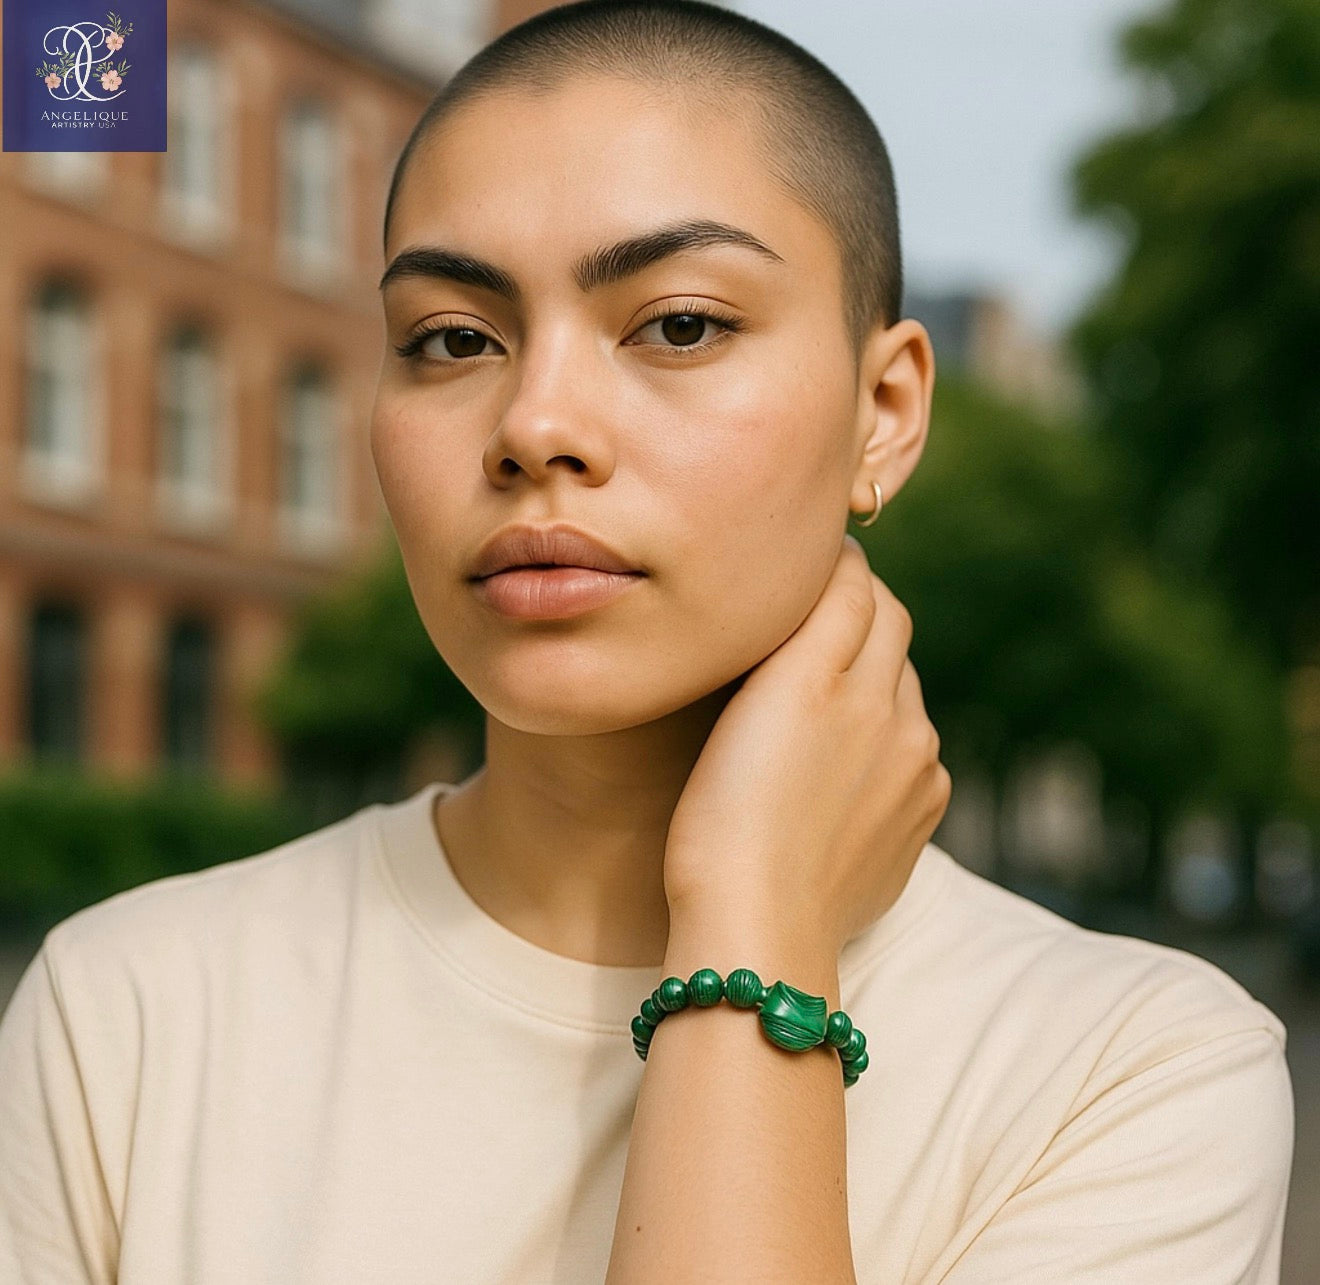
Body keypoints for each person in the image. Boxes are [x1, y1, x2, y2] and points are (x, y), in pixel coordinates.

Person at [0, 1, 1294, 1281]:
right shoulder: (127, 1016)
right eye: (452, 339)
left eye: (679, 324)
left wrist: (755, 920)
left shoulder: (1131, 1073)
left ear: (885, 411)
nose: (536, 425)